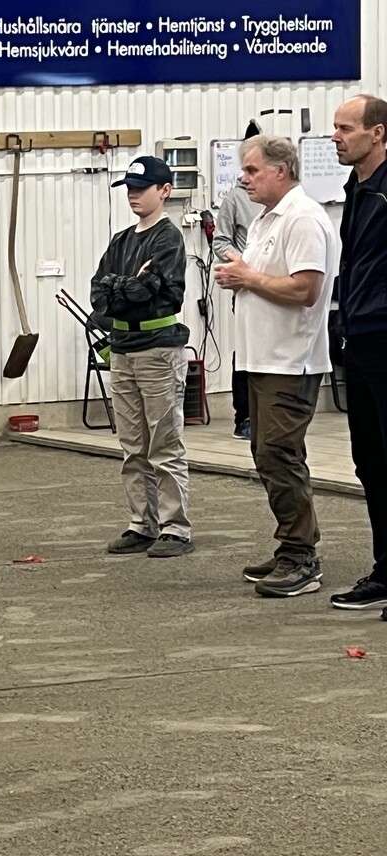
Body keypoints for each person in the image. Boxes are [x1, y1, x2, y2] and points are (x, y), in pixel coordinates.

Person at [214, 136, 336, 598]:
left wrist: (248, 276)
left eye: (252, 170)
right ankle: (291, 546)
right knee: (267, 454)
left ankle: (301, 557)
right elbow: (269, 280)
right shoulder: (267, 219)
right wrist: (243, 275)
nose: (243, 178)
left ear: (281, 170)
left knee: (279, 454)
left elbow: (305, 289)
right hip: (263, 358)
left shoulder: (303, 218)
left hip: (290, 360)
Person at [91, 156, 193, 558]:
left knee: (164, 442)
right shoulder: (120, 241)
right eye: (130, 188)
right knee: (132, 444)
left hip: (158, 350)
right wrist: (129, 285)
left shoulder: (169, 239)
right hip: (123, 349)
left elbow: (148, 291)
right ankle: (142, 524)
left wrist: (124, 287)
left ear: (164, 191)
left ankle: (175, 528)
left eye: (141, 188)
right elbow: (99, 296)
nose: (133, 195)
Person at [328, 94, 387, 615]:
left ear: (378, 133)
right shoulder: (357, 187)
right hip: (360, 338)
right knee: (371, 463)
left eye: (346, 128)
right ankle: (386, 570)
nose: (336, 137)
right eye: (336, 127)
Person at [213, 181, 260, 440]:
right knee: (246, 350)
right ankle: (244, 417)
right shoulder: (235, 198)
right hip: (246, 289)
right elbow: (220, 242)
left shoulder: (287, 202)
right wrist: (244, 264)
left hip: (279, 286)